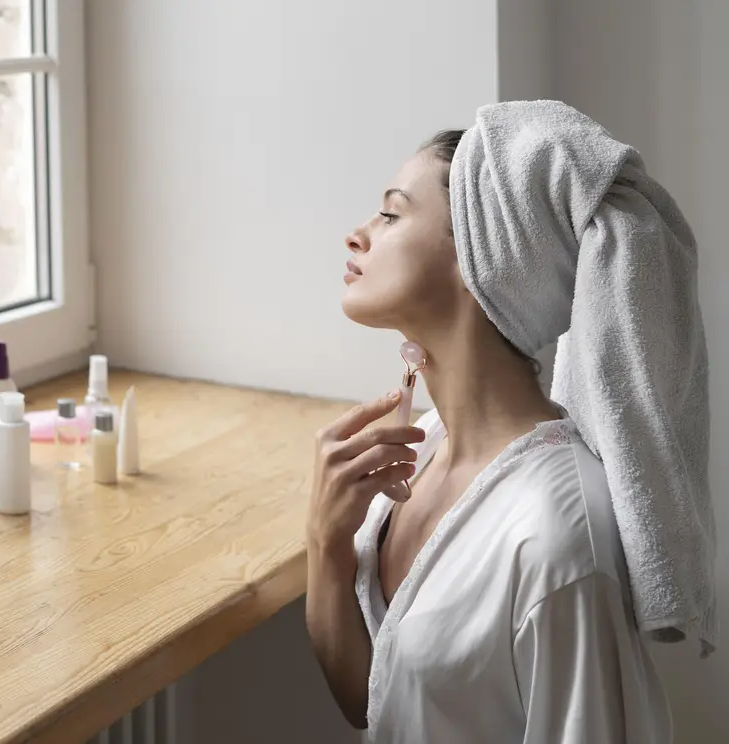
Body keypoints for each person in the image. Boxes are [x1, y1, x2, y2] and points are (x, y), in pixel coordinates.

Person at [305, 102, 714, 744]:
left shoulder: (557, 542)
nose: (357, 234)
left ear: (481, 256)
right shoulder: (423, 449)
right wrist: (326, 547)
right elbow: (375, 702)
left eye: (390, 213)